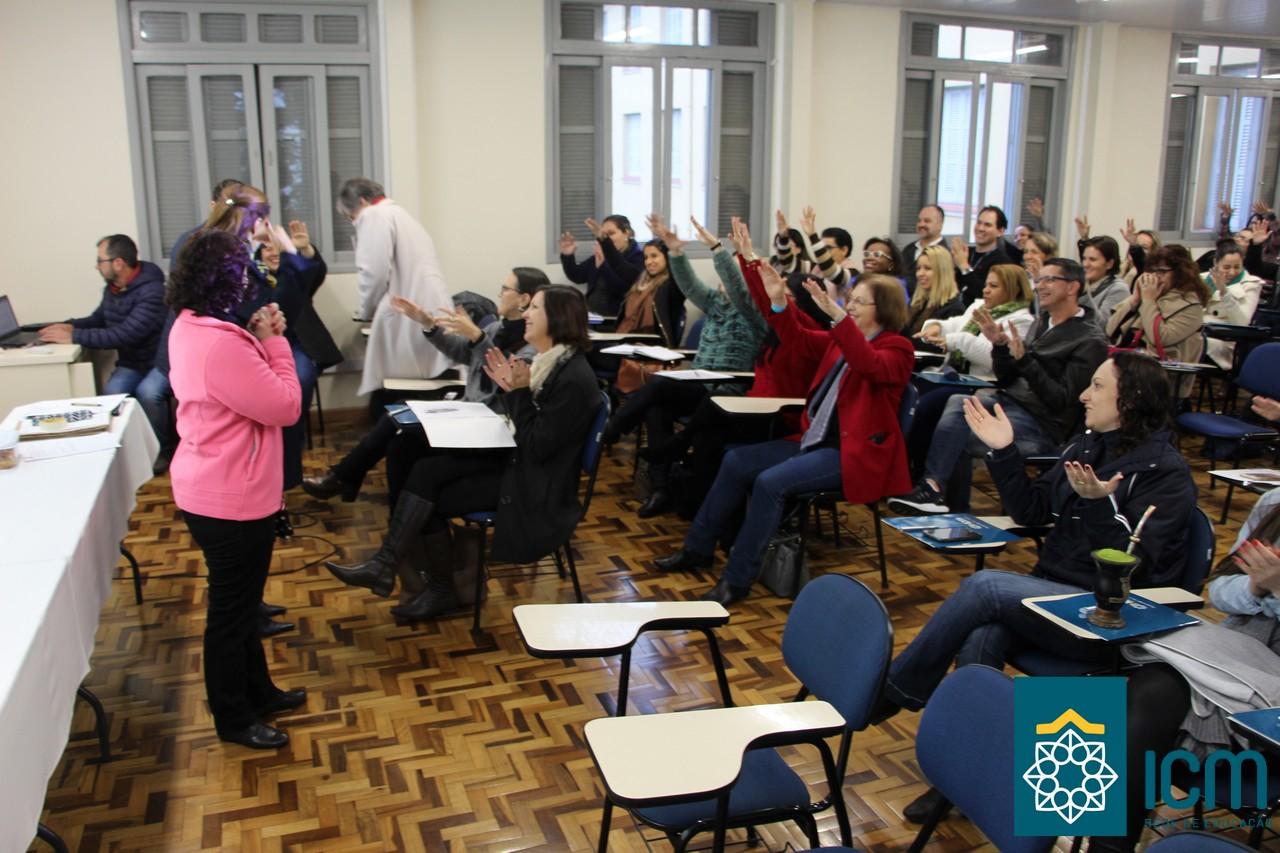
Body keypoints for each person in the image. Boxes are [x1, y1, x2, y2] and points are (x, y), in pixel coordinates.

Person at [875, 353, 1197, 822]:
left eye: (1097, 386)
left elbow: (1133, 565)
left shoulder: (1166, 473)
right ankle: (960, 778)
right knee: (981, 635)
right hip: (1053, 596)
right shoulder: (1087, 444)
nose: (1083, 396)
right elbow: (1031, 512)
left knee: (985, 587)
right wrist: (1004, 451)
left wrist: (1098, 505)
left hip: (1109, 616)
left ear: (1131, 399)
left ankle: (894, 691)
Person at [324, 286, 601, 622]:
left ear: (558, 317)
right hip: (519, 462)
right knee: (419, 463)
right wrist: (513, 391)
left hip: (535, 485)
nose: (527, 314)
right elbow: (528, 430)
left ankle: (429, 584)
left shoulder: (572, 377)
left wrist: (516, 392)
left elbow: (537, 446)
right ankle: (393, 566)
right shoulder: (551, 361)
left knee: (429, 491)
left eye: (536, 309)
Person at [653, 268, 913, 606]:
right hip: (813, 441)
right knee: (735, 460)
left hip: (849, 453)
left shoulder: (898, 348)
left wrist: (837, 318)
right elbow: (798, 338)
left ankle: (737, 580)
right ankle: (697, 549)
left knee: (769, 483)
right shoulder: (842, 339)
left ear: (885, 309)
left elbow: (868, 363)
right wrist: (778, 302)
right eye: (851, 300)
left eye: (860, 302)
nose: (850, 306)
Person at [165, 229, 304, 749]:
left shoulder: (190, 324)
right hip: (229, 499)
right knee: (231, 615)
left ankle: (258, 692)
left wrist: (256, 336)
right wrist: (275, 344)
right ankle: (233, 717)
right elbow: (285, 406)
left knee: (242, 608)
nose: (249, 277)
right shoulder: (221, 344)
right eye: (241, 270)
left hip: (215, 487)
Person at [1086, 486, 1280, 853]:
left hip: (1266, 687)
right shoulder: (1274, 502)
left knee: (1132, 708)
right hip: (1235, 652)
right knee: (1139, 690)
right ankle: (1091, 842)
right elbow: (1219, 591)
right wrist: (1256, 588)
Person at [302, 267, 545, 504]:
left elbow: (507, 377)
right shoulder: (496, 328)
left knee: (398, 417)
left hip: (492, 426)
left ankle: (344, 476)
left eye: (505, 289)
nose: (500, 294)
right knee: (399, 439)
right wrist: (428, 324)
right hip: (470, 413)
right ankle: (395, 513)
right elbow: (461, 352)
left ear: (524, 299)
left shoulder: (534, 344)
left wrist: (478, 337)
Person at [892, 258, 1108, 514]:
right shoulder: (1043, 322)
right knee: (957, 404)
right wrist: (1000, 347)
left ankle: (938, 494)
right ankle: (936, 494)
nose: (1040, 286)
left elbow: (1061, 400)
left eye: (1050, 279)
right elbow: (1006, 379)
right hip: (1011, 403)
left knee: (955, 428)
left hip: (1043, 425)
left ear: (1072, 287)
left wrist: (1025, 361)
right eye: (1039, 280)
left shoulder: (1089, 340)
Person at [603, 214, 767, 518]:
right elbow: (690, 285)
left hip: (729, 392)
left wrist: (718, 249)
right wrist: (676, 252)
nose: (726, 281)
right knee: (658, 403)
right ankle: (660, 488)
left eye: (735, 275)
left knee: (665, 390)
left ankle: (614, 429)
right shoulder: (716, 304)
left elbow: (740, 291)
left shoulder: (755, 313)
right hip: (700, 385)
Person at [144, 179, 246, 474]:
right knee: (149, 391)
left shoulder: (251, 241)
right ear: (213, 206)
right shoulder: (191, 241)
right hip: (191, 335)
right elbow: (182, 295)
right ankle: (168, 450)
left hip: (233, 341)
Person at [37, 234, 167, 438]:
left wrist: (74, 336)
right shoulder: (113, 288)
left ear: (118, 263)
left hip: (160, 363)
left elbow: (125, 335)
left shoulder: (153, 292)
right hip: (133, 363)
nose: (96, 266)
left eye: (100, 261)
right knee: (111, 394)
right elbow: (99, 319)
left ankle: (162, 449)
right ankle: (126, 443)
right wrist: (69, 326)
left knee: (148, 393)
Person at [337, 177, 454, 398]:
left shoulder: (373, 215)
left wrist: (366, 310)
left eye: (350, 216)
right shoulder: (399, 213)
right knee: (419, 378)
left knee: (399, 386)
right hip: (427, 302)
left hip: (410, 307)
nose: (353, 222)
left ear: (362, 202)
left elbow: (373, 272)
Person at [1106, 245, 1208, 370]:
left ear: (1180, 273)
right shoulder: (1149, 294)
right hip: (1128, 363)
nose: (1156, 276)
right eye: (1152, 271)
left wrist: (1149, 301)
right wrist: (1135, 300)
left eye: (1162, 271)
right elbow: (1110, 330)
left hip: (1162, 373)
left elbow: (1159, 338)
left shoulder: (1191, 305)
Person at [560, 215, 643, 317]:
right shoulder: (602, 254)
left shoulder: (638, 258)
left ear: (627, 233)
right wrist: (568, 255)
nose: (607, 239)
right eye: (604, 235)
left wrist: (603, 266)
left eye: (611, 233)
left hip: (616, 318)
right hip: (592, 315)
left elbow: (623, 290)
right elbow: (577, 276)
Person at [1202, 241, 1263, 369]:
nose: (1232, 272)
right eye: (1226, 267)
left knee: (1192, 342)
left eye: (1237, 267)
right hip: (1198, 331)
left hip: (1225, 340)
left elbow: (1242, 322)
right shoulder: (1202, 279)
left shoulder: (1251, 284)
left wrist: (1224, 292)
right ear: (1215, 263)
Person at [949, 205, 1013, 303]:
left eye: (987, 225)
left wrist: (964, 267)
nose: (980, 228)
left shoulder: (1003, 262)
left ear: (1000, 231)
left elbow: (985, 294)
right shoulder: (966, 252)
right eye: (979, 223)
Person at [904, 245, 964, 336]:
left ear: (942, 271)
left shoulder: (954, 308)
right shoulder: (916, 302)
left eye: (927, 268)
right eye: (918, 268)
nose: (920, 274)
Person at [1079, 235, 1129, 328]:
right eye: (1084, 258)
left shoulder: (1118, 289)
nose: (1085, 264)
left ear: (1109, 264)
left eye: (1092, 259)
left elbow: (1103, 326)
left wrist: (1084, 294)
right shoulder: (1082, 282)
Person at [902, 204, 946, 295]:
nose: (921, 224)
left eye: (927, 221)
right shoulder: (908, 249)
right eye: (919, 221)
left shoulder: (945, 253)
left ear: (940, 225)